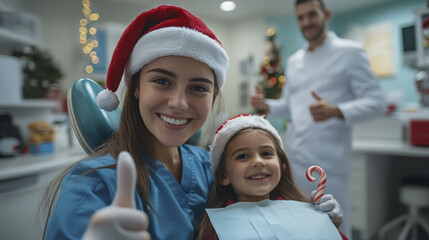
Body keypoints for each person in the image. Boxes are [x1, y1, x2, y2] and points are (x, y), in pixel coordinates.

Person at [42, 5, 229, 240]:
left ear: (212, 97)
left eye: (199, 88)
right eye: (162, 81)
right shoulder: (94, 184)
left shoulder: (212, 166)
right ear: (137, 88)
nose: (179, 103)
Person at [250, 0, 386, 237]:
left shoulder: (350, 52)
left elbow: (377, 102)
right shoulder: (294, 61)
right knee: (298, 227)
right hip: (294, 160)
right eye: (300, 17)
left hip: (329, 165)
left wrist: (337, 110)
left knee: (333, 228)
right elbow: (291, 105)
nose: (306, 22)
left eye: (312, 15)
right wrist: (267, 105)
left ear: (327, 14)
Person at [196, 114, 348, 240]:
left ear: (282, 166)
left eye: (266, 154)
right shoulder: (215, 228)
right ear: (224, 175)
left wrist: (328, 226)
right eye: (242, 156)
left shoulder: (304, 213)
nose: (257, 161)